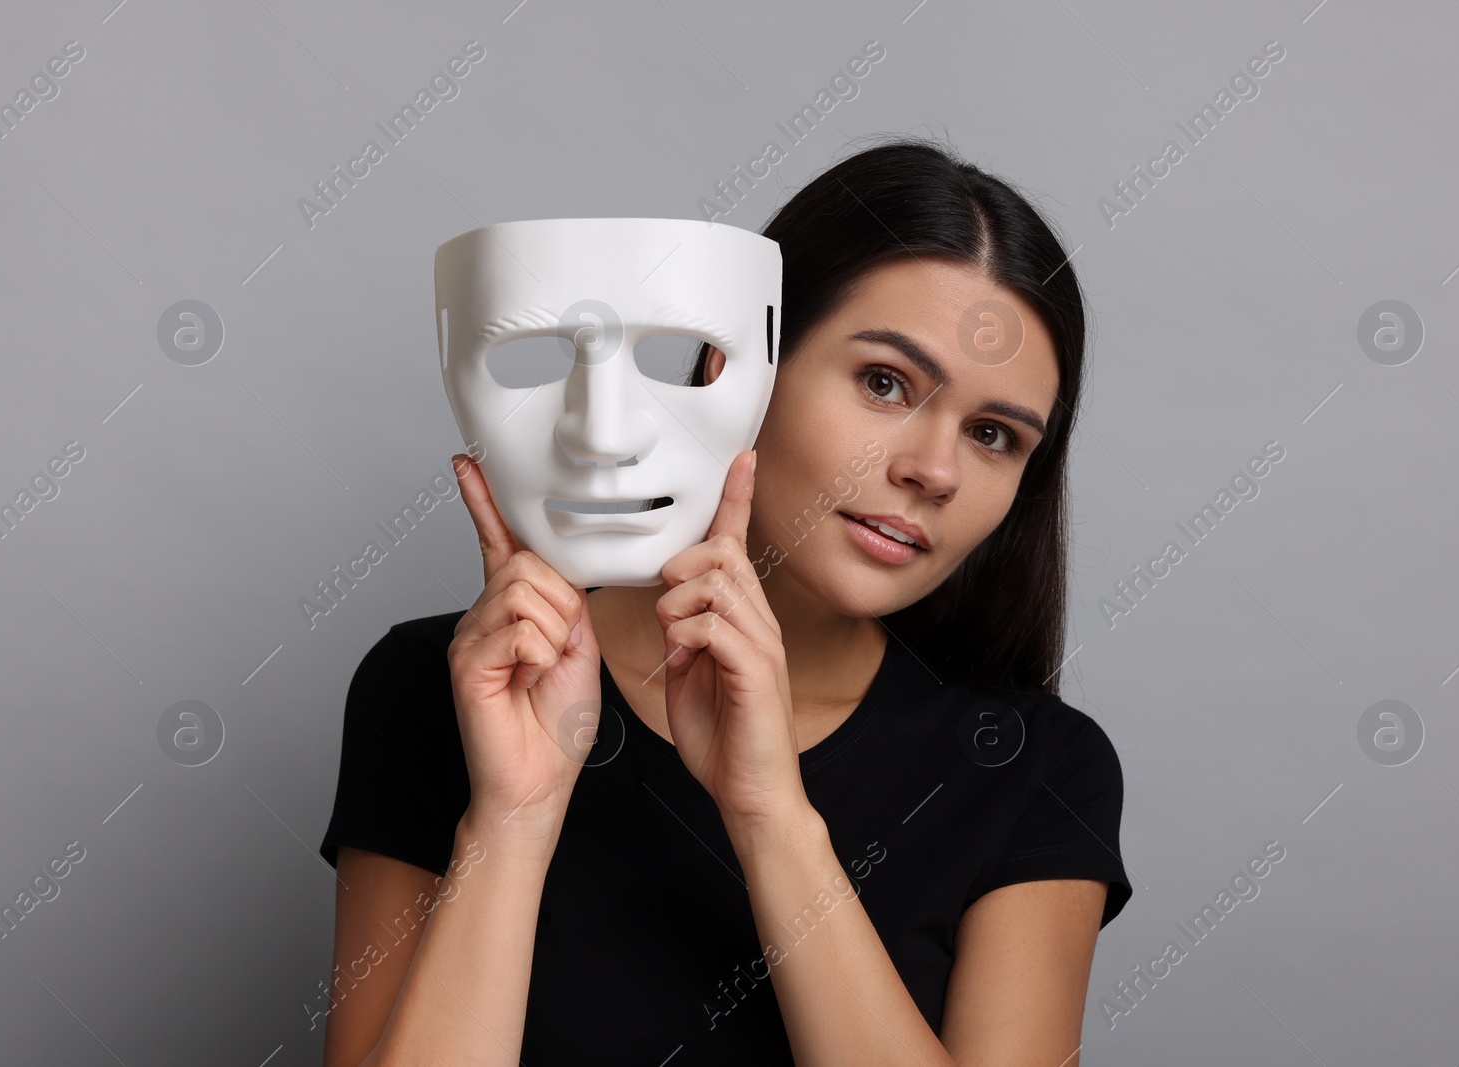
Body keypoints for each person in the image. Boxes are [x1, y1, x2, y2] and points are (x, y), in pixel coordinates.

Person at [317, 135, 1132, 1065]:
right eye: (883, 382)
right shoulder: (441, 690)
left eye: (993, 434)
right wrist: (512, 816)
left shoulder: (1037, 771)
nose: (934, 470)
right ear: (732, 372)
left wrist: (771, 817)